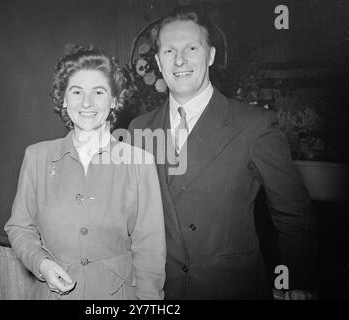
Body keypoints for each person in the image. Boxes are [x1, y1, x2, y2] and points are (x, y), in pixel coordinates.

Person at [128, 6, 317, 299]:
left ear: (211, 55)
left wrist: (298, 280)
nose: (180, 60)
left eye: (192, 48)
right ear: (157, 61)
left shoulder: (254, 125)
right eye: (169, 51)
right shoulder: (138, 129)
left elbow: (292, 211)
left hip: (230, 288)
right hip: (161, 292)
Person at [5, 46, 166, 300]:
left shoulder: (139, 163)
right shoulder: (37, 157)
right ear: (64, 100)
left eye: (99, 92)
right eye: (76, 92)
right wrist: (42, 264)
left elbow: (150, 249)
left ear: (114, 100)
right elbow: (19, 227)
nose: (87, 102)